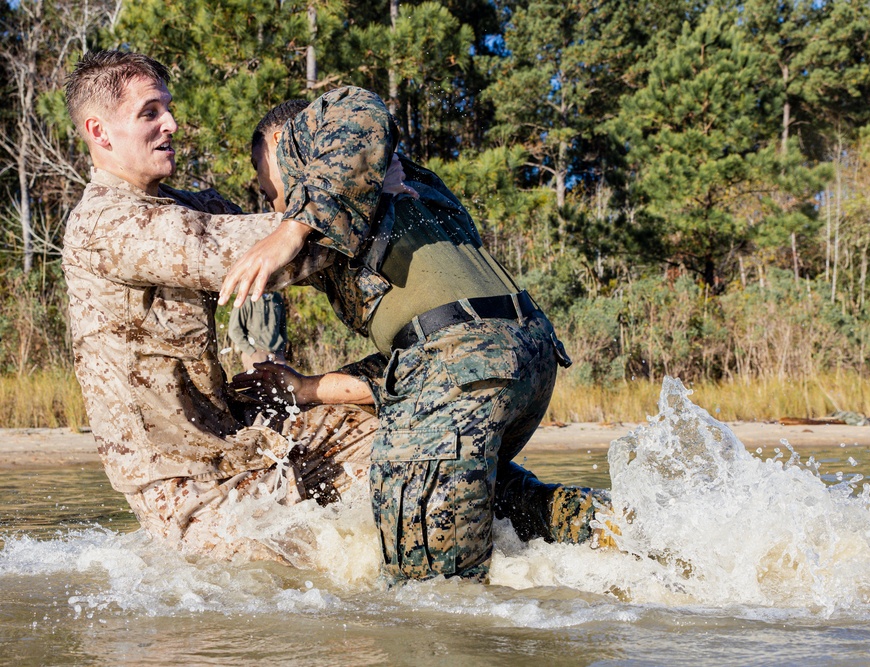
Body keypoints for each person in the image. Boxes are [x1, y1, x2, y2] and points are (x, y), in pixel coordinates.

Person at [225, 89, 613, 584]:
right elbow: (421, 361)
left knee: (429, 603)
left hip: (465, 367)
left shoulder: (314, 148)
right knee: (505, 510)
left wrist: (292, 229)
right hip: (522, 356)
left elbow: (358, 107)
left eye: (267, 188)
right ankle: (645, 534)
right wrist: (305, 388)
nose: (272, 203)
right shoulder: (410, 190)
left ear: (287, 143)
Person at [61, 50, 384, 565]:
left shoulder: (182, 206)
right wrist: (369, 193)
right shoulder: (106, 225)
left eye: (168, 108)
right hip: (184, 484)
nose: (171, 124)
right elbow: (260, 250)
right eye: (150, 113)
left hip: (236, 441)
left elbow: (271, 218)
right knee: (329, 576)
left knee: (395, 444)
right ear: (100, 132)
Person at [227, 291, 288, 371]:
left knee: (285, 382)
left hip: (276, 354)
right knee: (257, 382)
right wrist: (251, 352)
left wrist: (281, 349)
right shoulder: (246, 298)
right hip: (256, 352)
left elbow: (283, 326)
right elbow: (234, 330)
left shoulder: (277, 298)